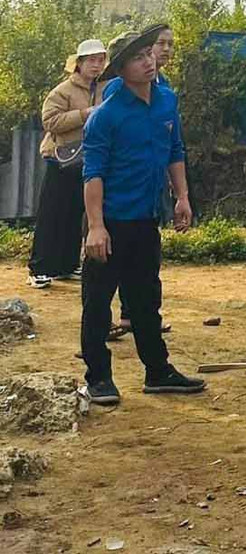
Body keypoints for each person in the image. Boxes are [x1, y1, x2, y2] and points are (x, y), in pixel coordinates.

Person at [80, 26, 204, 406]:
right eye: (139, 57)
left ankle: (158, 371)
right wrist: (97, 227)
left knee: (146, 300)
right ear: (120, 68)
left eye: (150, 53)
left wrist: (181, 197)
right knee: (98, 303)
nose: (150, 61)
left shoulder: (167, 101)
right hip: (111, 223)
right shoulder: (105, 116)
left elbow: (175, 151)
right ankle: (99, 377)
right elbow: (93, 173)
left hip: (147, 218)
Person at [106, 22, 175, 337]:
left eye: (162, 47)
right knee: (112, 265)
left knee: (147, 260)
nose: (159, 53)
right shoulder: (114, 97)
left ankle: (141, 319)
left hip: (152, 187)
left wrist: (180, 192)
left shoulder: (166, 92)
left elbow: (175, 145)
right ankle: (116, 320)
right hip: (118, 196)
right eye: (158, 45)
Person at [28, 39, 106, 288]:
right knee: (51, 214)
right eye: (91, 60)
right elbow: (50, 121)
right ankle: (38, 268)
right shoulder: (62, 91)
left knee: (76, 214)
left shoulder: (104, 88)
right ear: (79, 64)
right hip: (59, 159)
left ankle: (67, 265)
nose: (96, 65)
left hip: (88, 158)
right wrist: (84, 115)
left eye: (100, 59)